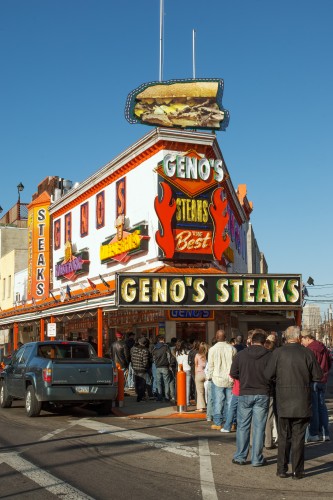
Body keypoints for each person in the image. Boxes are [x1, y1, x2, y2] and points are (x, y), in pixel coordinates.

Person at [264, 326, 323, 479]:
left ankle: (282, 469)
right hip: (302, 399)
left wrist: (278, 381)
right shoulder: (307, 352)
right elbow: (318, 375)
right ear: (298, 337)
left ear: (286, 337)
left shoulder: (278, 352)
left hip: (283, 399)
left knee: (283, 436)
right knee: (298, 436)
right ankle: (298, 471)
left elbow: (268, 374)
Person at [230, 329, 271, 466]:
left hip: (245, 392)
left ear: (251, 341)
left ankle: (241, 456)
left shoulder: (241, 355)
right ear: (264, 342)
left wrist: (244, 378)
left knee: (243, 426)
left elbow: (233, 373)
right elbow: (274, 375)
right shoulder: (269, 355)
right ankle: (257, 459)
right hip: (263, 393)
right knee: (259, 427)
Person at [300, 330, 331, 442]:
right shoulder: (323, 347)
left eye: (302, 339)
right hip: (323, 380)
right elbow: (329, 362)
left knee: (314, 407)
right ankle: (325, 433)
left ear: (307, 338)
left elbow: (307, 366)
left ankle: (314, 433)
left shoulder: (309, 350)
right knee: (322, 406)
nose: (301, 342)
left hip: (313, 380)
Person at [207, 330, 237, 430]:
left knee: (218, 402)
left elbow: (210, 365)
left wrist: (209, 377)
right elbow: (235, 364)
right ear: (225, 337)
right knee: (230, 402)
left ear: (216, 337)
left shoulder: (212, 349)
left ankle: (218, 423)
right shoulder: (232, 348)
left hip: (217, 378)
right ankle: (231, 423)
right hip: (230, 379)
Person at [152, 335, 175, 402]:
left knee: (158, 382)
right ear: (163, 339)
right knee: (166, 382)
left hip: (157, 367)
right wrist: (170, 364)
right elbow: (169, 356)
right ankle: (167, 397)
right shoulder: (166, 347)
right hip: (165, 366)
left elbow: (153, 357)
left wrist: (156, 363)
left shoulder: (155, 347)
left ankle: (159, 397)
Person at [130, 336, 151, 402]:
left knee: (137, 383)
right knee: (142, 384)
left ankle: (139, 396)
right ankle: (140, 397)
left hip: (135, 368)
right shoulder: (145, 350)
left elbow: (132, 359)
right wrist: (146, 367)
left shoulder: (134, 349)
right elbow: (145, 362)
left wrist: (133, 366)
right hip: (142, 369)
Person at [174, 340, 191, 406]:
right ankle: (187, 402)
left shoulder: (177, 353)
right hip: (187, 369)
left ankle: (181, 401)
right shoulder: (188, 352)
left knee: (180, 387)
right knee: (187, 386)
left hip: (180, 370)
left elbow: (178, 361)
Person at [194, 342, 209, 411]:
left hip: (199, 374)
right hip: (207, 374)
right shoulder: (208, 355)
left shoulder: (197, 355)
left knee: (200, 392)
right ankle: (209, 405)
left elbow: (196, 365)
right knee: (208, 391)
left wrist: (195, 374)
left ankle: (201, 407)